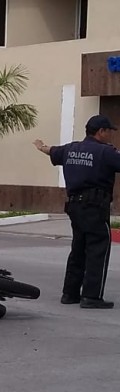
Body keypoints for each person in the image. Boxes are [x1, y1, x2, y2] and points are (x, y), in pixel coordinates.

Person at [33, 115, 120, 309]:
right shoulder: (106, 152)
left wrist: (40, 147)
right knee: (98, 249)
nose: (110, 136)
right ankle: (92, 296)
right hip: (95, 208)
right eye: (109, 132)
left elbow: (52, 151)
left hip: (74, 208)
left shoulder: (71, 148)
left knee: (78, 249)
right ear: (101, 132)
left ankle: (70, 293)